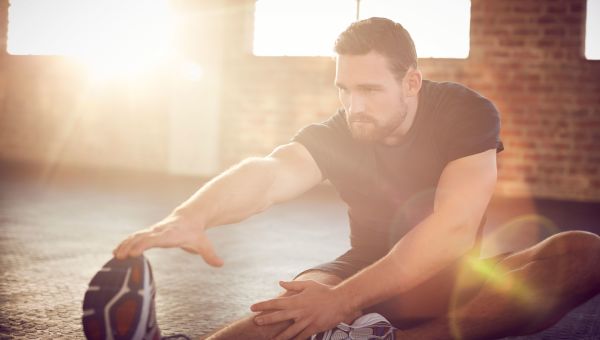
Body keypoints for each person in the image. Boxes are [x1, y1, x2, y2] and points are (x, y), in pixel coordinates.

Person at [111, 18, 600, 340]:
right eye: (344, 89)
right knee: (293, 309)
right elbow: (270, 173)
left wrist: (343, 303)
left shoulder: (464, 114)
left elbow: (453, 227)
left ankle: (380, 334)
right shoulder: (341, 131)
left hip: (452, 273)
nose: (354, 106)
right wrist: (191, 216)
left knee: (583, 253)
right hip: (361, 267)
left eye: (369, 89)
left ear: (412, 81)